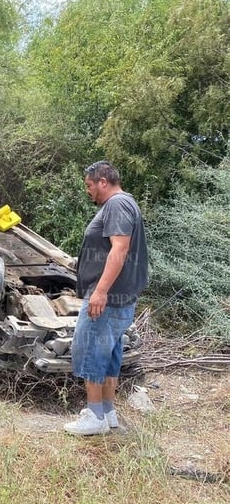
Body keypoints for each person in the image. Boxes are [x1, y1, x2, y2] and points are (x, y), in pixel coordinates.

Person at [64, 161, 149, 436]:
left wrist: (100, 291)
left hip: (109, 298)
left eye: (89, 185)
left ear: (103, 181)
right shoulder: (127, 204)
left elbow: (119, 249)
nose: (88, 191)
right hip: (120, 298)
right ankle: (108, 412)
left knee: (89, 349)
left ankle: (94, 416)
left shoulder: (116, 204)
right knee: (109, 352)